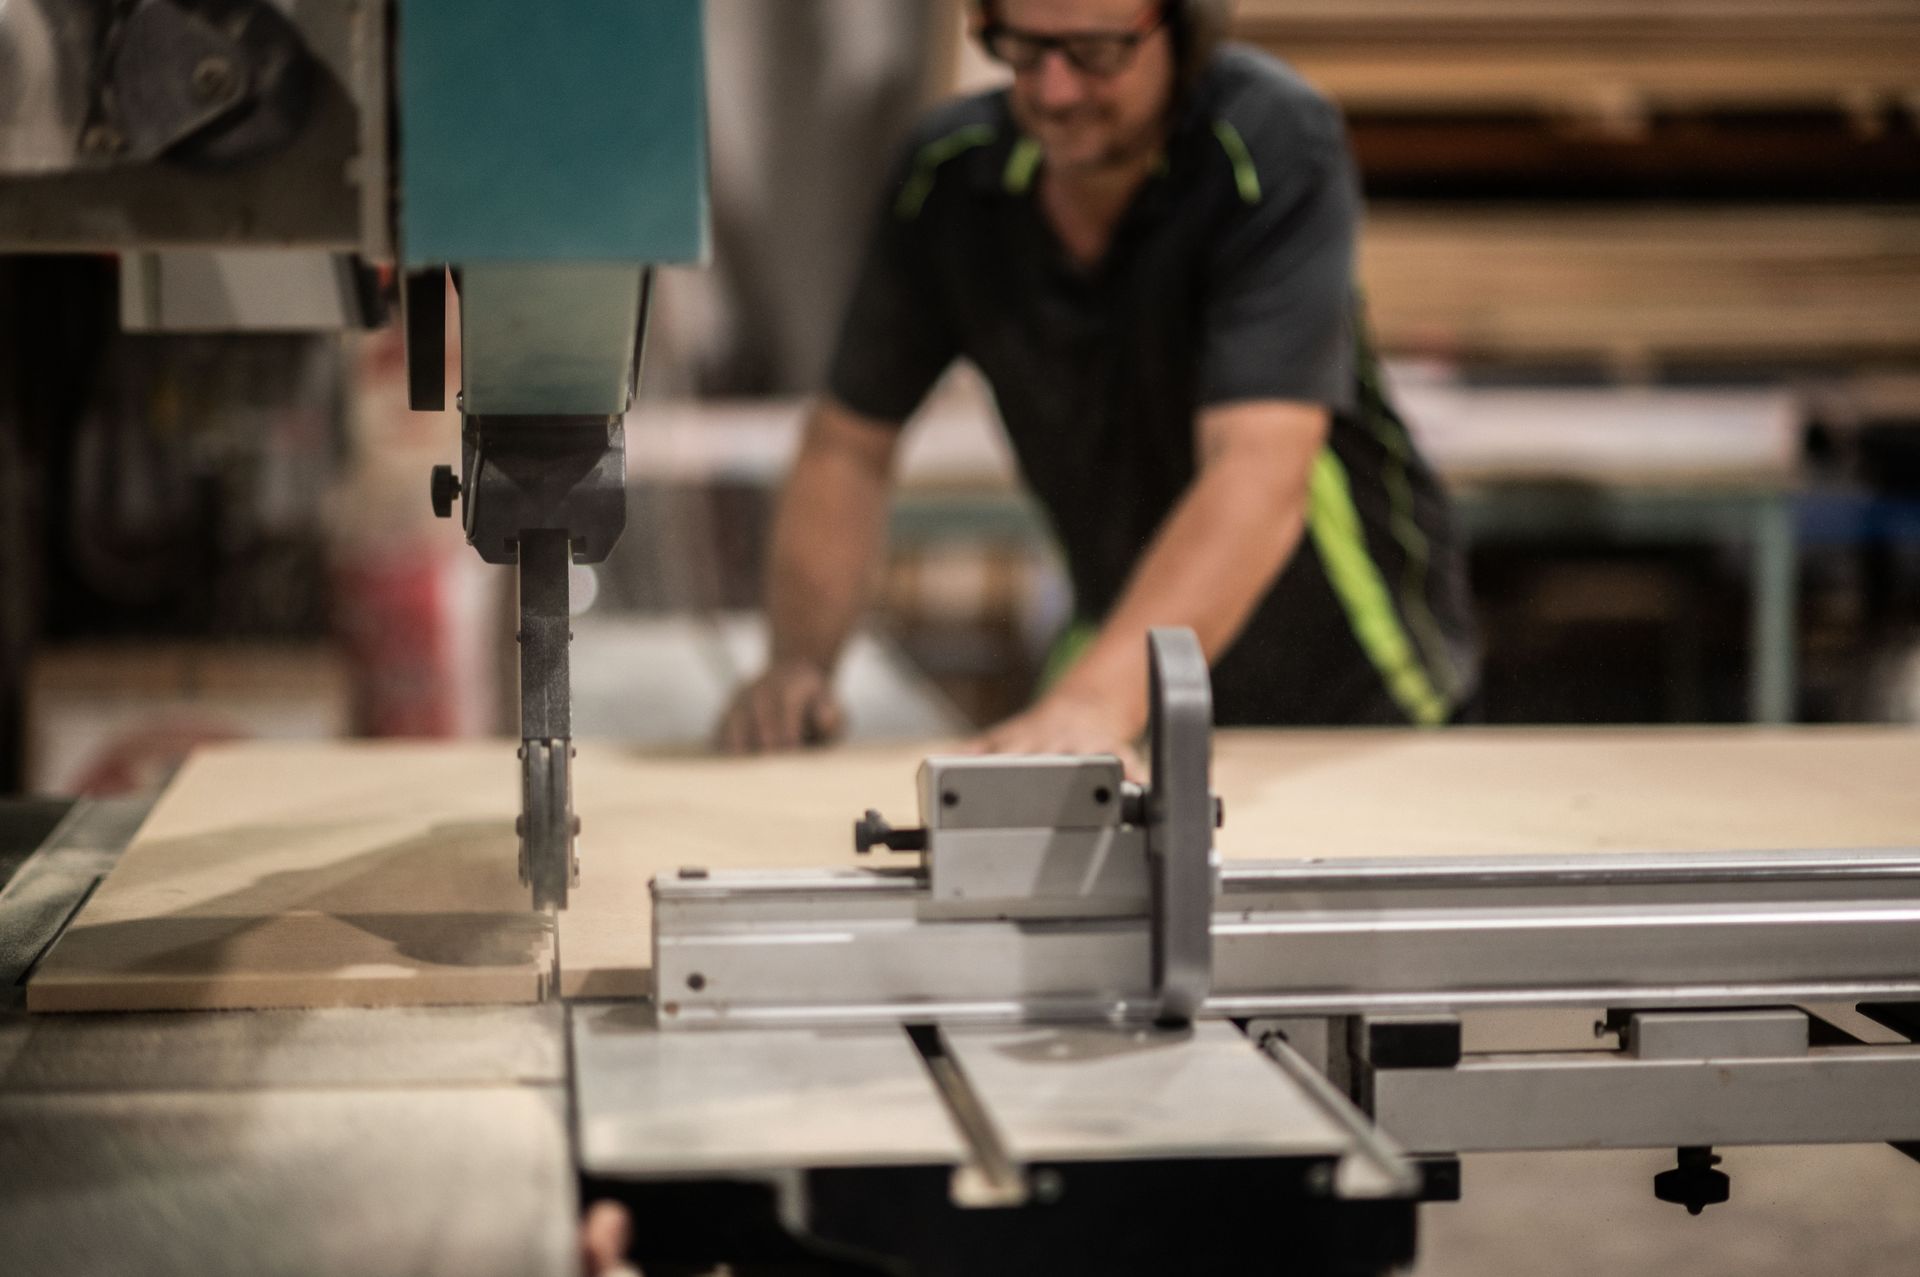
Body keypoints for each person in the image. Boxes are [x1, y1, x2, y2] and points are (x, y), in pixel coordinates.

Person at [718, 0, 1478, 765]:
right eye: (1024, 48)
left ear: (1182, 29)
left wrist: (1093, 701)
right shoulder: (949, 177)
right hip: (1131, 664)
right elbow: (847, 447)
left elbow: (1257, 471)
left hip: (1354, 686)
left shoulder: (1263, 144)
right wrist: (798, 666)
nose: (1054, 91)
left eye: (1097, 53)